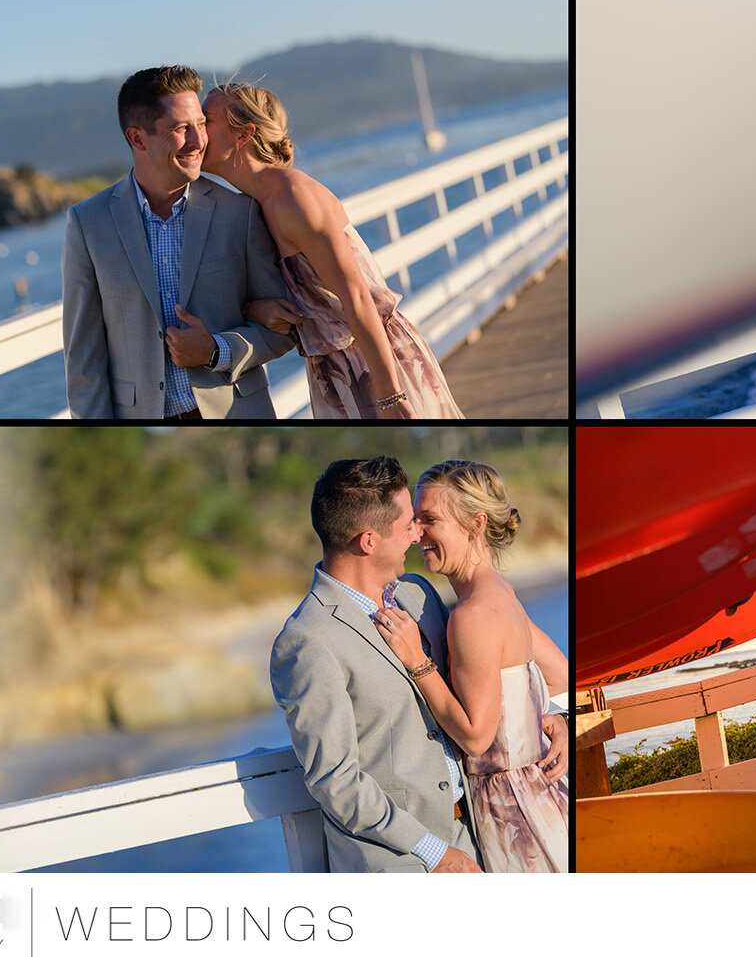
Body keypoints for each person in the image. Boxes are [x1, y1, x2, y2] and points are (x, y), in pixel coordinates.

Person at [268, 456, 567, 872]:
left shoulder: (418, 594)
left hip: (483, 835)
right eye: (409, 523)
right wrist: (435, 852)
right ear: (369, 541)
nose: (415, 535)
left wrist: (547, 717)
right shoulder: (306, 641)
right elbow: (335, 780)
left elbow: (501, 668)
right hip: (403, 863)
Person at [200, 81, 464, 419]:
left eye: (206, 121)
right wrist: (254, 308)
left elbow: (356, 297)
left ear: (243, 134)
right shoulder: (254, 206)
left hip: (375, 365)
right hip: (334, 372)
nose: (195, 131)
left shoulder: (293, 198)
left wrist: (391, 398)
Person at [61, 65, 297, 419]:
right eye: (180, 128)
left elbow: (282, 328)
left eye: (201, 124)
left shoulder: (240, 213)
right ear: (138, 139)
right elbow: (84, 361)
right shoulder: (88, 224)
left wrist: (217, 350)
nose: (198, 141)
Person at [372, 460, 570, 872]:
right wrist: (548, 717)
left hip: (515, 817)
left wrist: (418, 662)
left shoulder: (473, 615)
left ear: (476, 524)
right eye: (414, 520)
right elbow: (559, 674)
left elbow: (477, 738)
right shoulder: (500, 592)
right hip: (541, 798)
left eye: (429, 520)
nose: (415, 534)